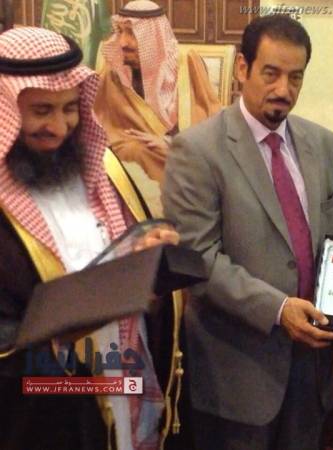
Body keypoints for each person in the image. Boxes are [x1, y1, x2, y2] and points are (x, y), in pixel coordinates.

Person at [162, 14, 333, 450]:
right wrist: (278, 309)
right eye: (270, 73)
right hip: (236, 376)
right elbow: (198, 261)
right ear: (243, 68)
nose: (283, 89)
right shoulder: (197, 151)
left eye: (295, 77)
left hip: (312, 369)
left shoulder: (322, 144)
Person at [0, 27, 183, 450]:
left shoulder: (101, 166)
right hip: (44, 417)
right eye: (41, 110)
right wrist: (60, 333)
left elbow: (120, 251)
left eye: (70, 108)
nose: (59, 127)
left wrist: (147, 253)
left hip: (124, 383)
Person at [94, 0, 221, 216]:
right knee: (134, 150)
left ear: (152, 37)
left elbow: (210, 120)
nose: (123, 43)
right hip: (132, 163)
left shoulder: (185, 64)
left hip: (182, 157)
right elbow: (99, 123)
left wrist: (171, 144)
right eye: (120, 31)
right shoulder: (114, 71)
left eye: (132, 33)